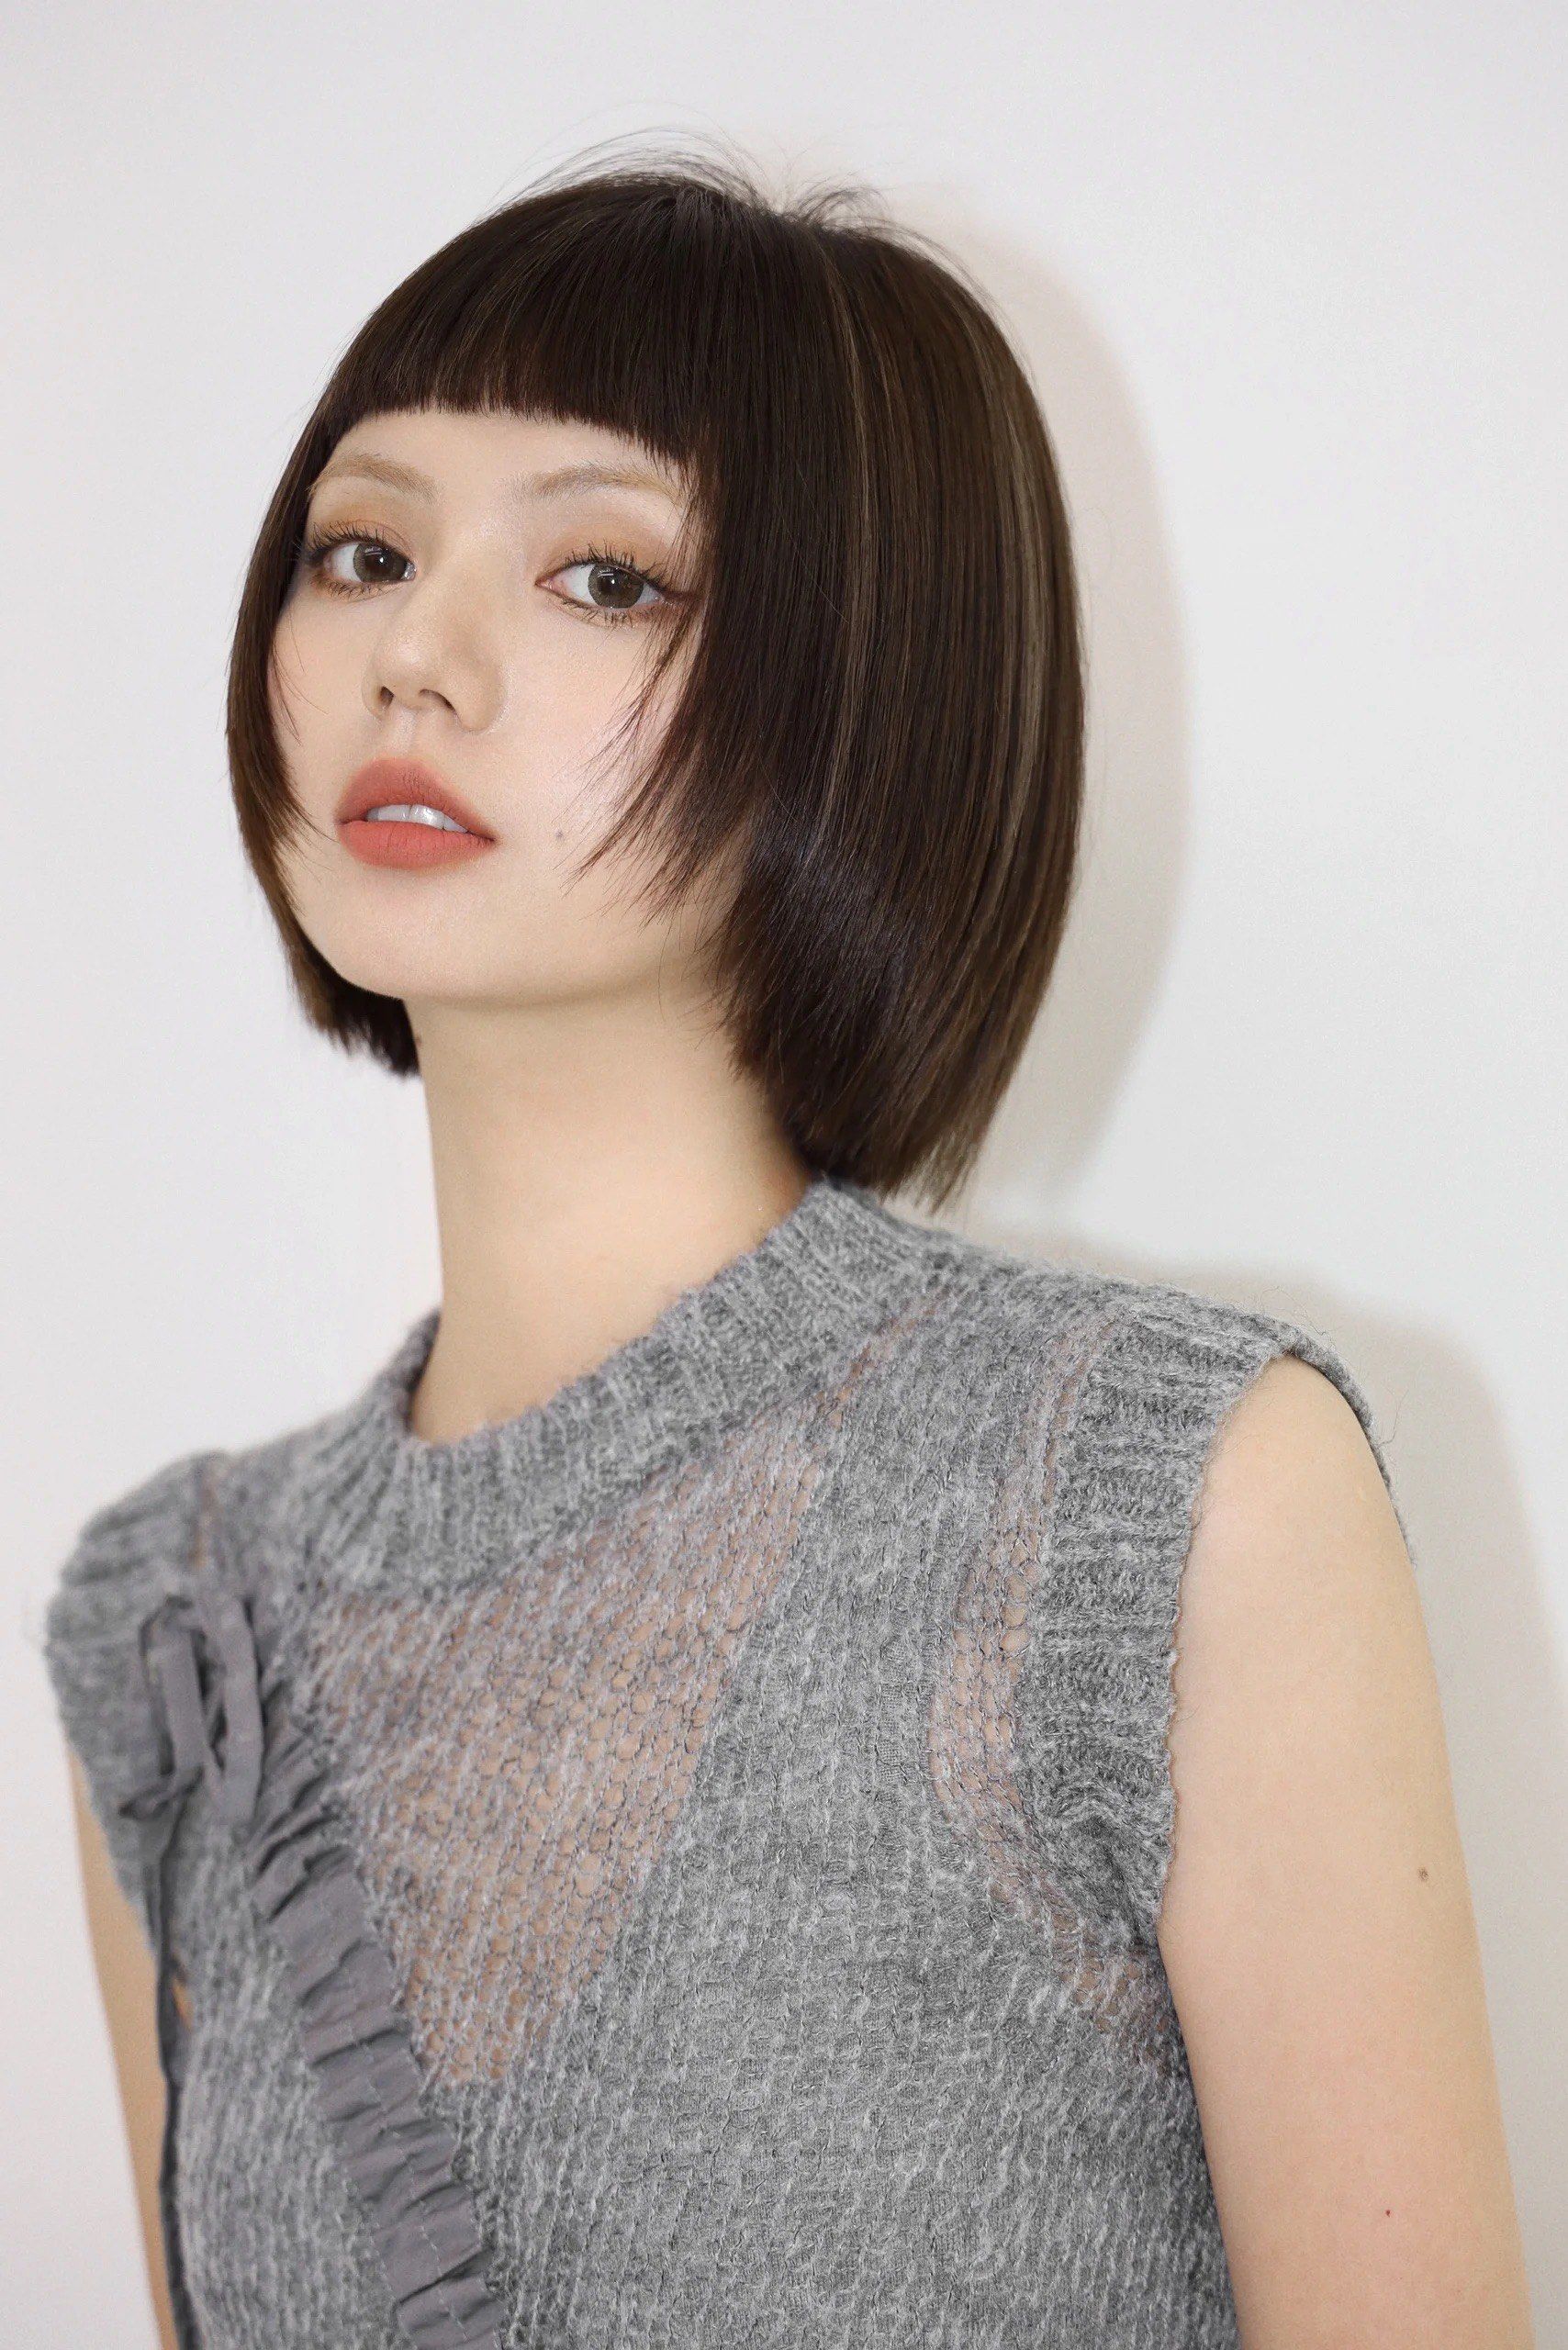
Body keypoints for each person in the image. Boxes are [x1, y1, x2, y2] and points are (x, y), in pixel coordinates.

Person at [43, 146, 1533, 2350]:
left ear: (858, 694)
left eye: (604, 576)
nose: (414, 657)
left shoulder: (1154, 1495)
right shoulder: (172, 1616)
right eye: (362, 551)